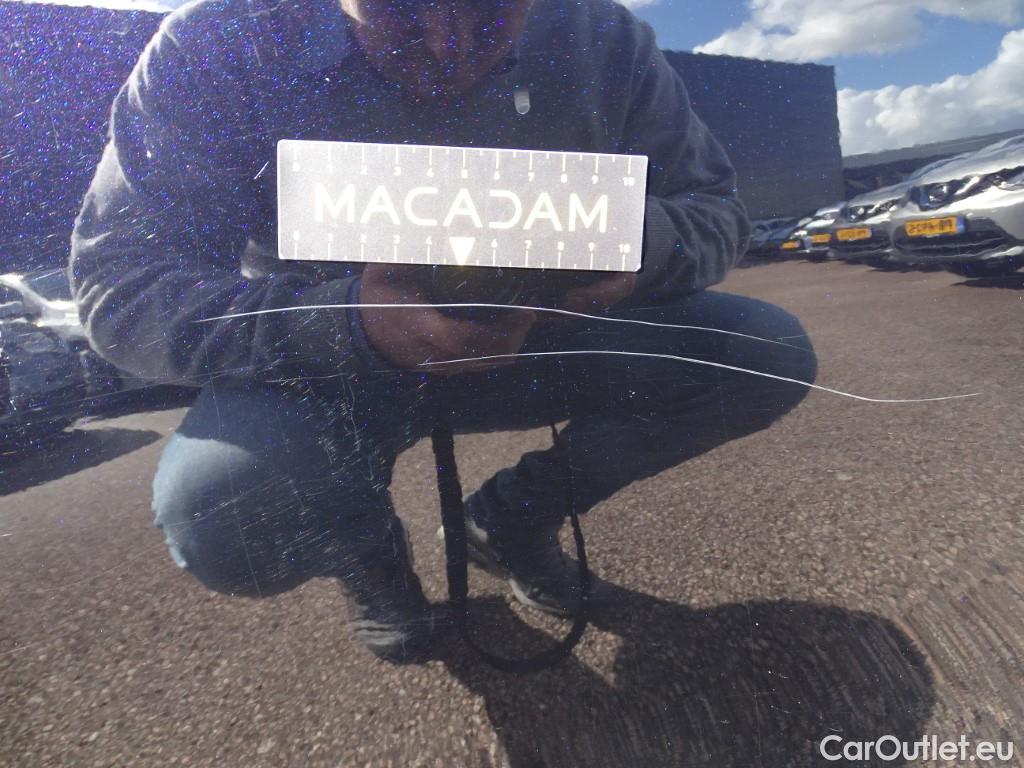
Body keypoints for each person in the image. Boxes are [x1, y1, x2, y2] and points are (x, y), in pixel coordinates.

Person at [69, 0, 817, 663]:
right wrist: (349, 323)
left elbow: (716, 210)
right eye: (398, 8)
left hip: (541, 333)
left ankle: (507, 524)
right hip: (330, 364)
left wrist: (633, 246)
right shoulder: (217, 44)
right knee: (222, 509)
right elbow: (120, 290)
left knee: (765, 355)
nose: (446, 43)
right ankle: (368, 553)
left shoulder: (605, 36)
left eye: (489, 8)